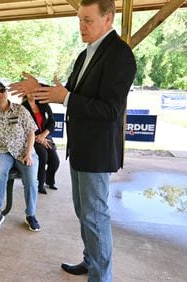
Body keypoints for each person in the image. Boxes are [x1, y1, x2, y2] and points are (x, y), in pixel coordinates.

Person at [10, 0, 137, 280]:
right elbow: (69, 92)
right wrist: (40, 89)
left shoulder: (119, 55)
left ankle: (101, 276)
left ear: (108, 19)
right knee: (84, 212)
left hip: (97, 150)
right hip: (80, 147)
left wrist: (64, 97)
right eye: (79, 19)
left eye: (88, 20)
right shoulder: (85, 55)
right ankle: (91, 261)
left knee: (95, 216)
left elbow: (110, 110)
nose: (81, 26)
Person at [0, 81, 40, 233]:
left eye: (2, 90)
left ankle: (31, 214)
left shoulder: (20, 109)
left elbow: (31, 132)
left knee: (31, 180)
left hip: (23, 151)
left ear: (6, 92)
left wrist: (28, 153)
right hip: (1, 151)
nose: (0, 94)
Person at [21, 95, 60, 194]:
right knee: (43, 156)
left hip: (45, 136)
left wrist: (43, 135)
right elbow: (22, 127)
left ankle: (49, 180)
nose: (32, 93)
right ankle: (40, 185)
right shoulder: (23, 107)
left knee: (55, 161)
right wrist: (38, 138)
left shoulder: (44, 104)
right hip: (30, 138)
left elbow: (52, 122)